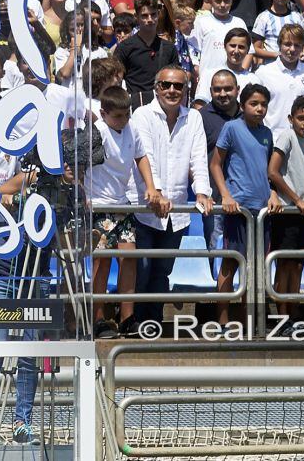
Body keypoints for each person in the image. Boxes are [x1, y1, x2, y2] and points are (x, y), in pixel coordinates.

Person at [131, 67, 213, 326]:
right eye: (166, 84)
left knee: (162, 271)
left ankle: (151, 326)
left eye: (178, 86)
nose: (172, 90)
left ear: (186, 90)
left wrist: (202, 192)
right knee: (141, 269)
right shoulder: (142, 114)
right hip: (144, 206)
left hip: (176, 209)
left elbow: (198, 159)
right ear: (156, 88)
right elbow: (145, 155)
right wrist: (155, 192)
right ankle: (134, 323)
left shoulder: (194, 118)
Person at [88, 85, 158, 339]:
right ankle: (97, 318)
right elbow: (79, 164)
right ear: (103, 113)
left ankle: (128, 317)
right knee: (102, 261)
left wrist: (151, 186)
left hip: (122, 203)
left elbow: (142, 157)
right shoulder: (95, 133)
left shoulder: (132, 129)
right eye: (117, 116)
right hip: (99, 204)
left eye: (126, 114)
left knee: (129, 258)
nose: (122, 120)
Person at [209, 83, 274, 327]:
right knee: (231, 263)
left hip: (262, 212)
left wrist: (273, 193)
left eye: (263, 104)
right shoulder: (232, 128)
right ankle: (223, 322)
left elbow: (268, 171)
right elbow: (216, 164)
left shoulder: (267, 133)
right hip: (238, 210)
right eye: (253, 103)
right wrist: (225, 195)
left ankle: (251, 323)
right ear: (243, 104)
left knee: (256, 269)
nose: (259, 109)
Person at [267, 95, 304, 331]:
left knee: (298, 265)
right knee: (285, 264)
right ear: (291, 118)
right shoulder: (286, 137)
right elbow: (273, 171)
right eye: (300, 118)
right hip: (287, 211)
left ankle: (294, 314)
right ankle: (282, 317)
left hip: (303, 212)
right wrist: (297, 199)